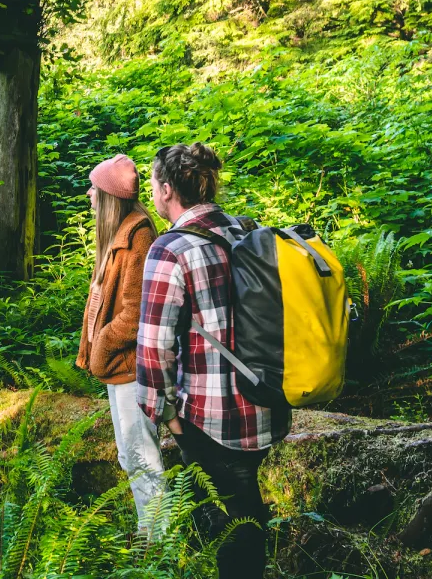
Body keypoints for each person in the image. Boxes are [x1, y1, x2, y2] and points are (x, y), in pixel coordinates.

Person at [136, 143, 289, 578]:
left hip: (213, 418)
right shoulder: (246, 230)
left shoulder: (170, 250)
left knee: (237, 519)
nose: (152, 192)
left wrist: (165, 414)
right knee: (237, 506)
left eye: (153, 184)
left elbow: (153, 345)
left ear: (167, 189)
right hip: (267, 402)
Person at [74, 154, 165, 535]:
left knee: (142, 457)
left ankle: (160, 541)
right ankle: (151, 533)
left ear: (111, 195)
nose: (90, 195)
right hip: (118, 367)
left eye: (96, 188)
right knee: (130, 455)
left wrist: (103, 345)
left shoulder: (139, 236)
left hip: (132, 367)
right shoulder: (121, 234)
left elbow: (135, 313)